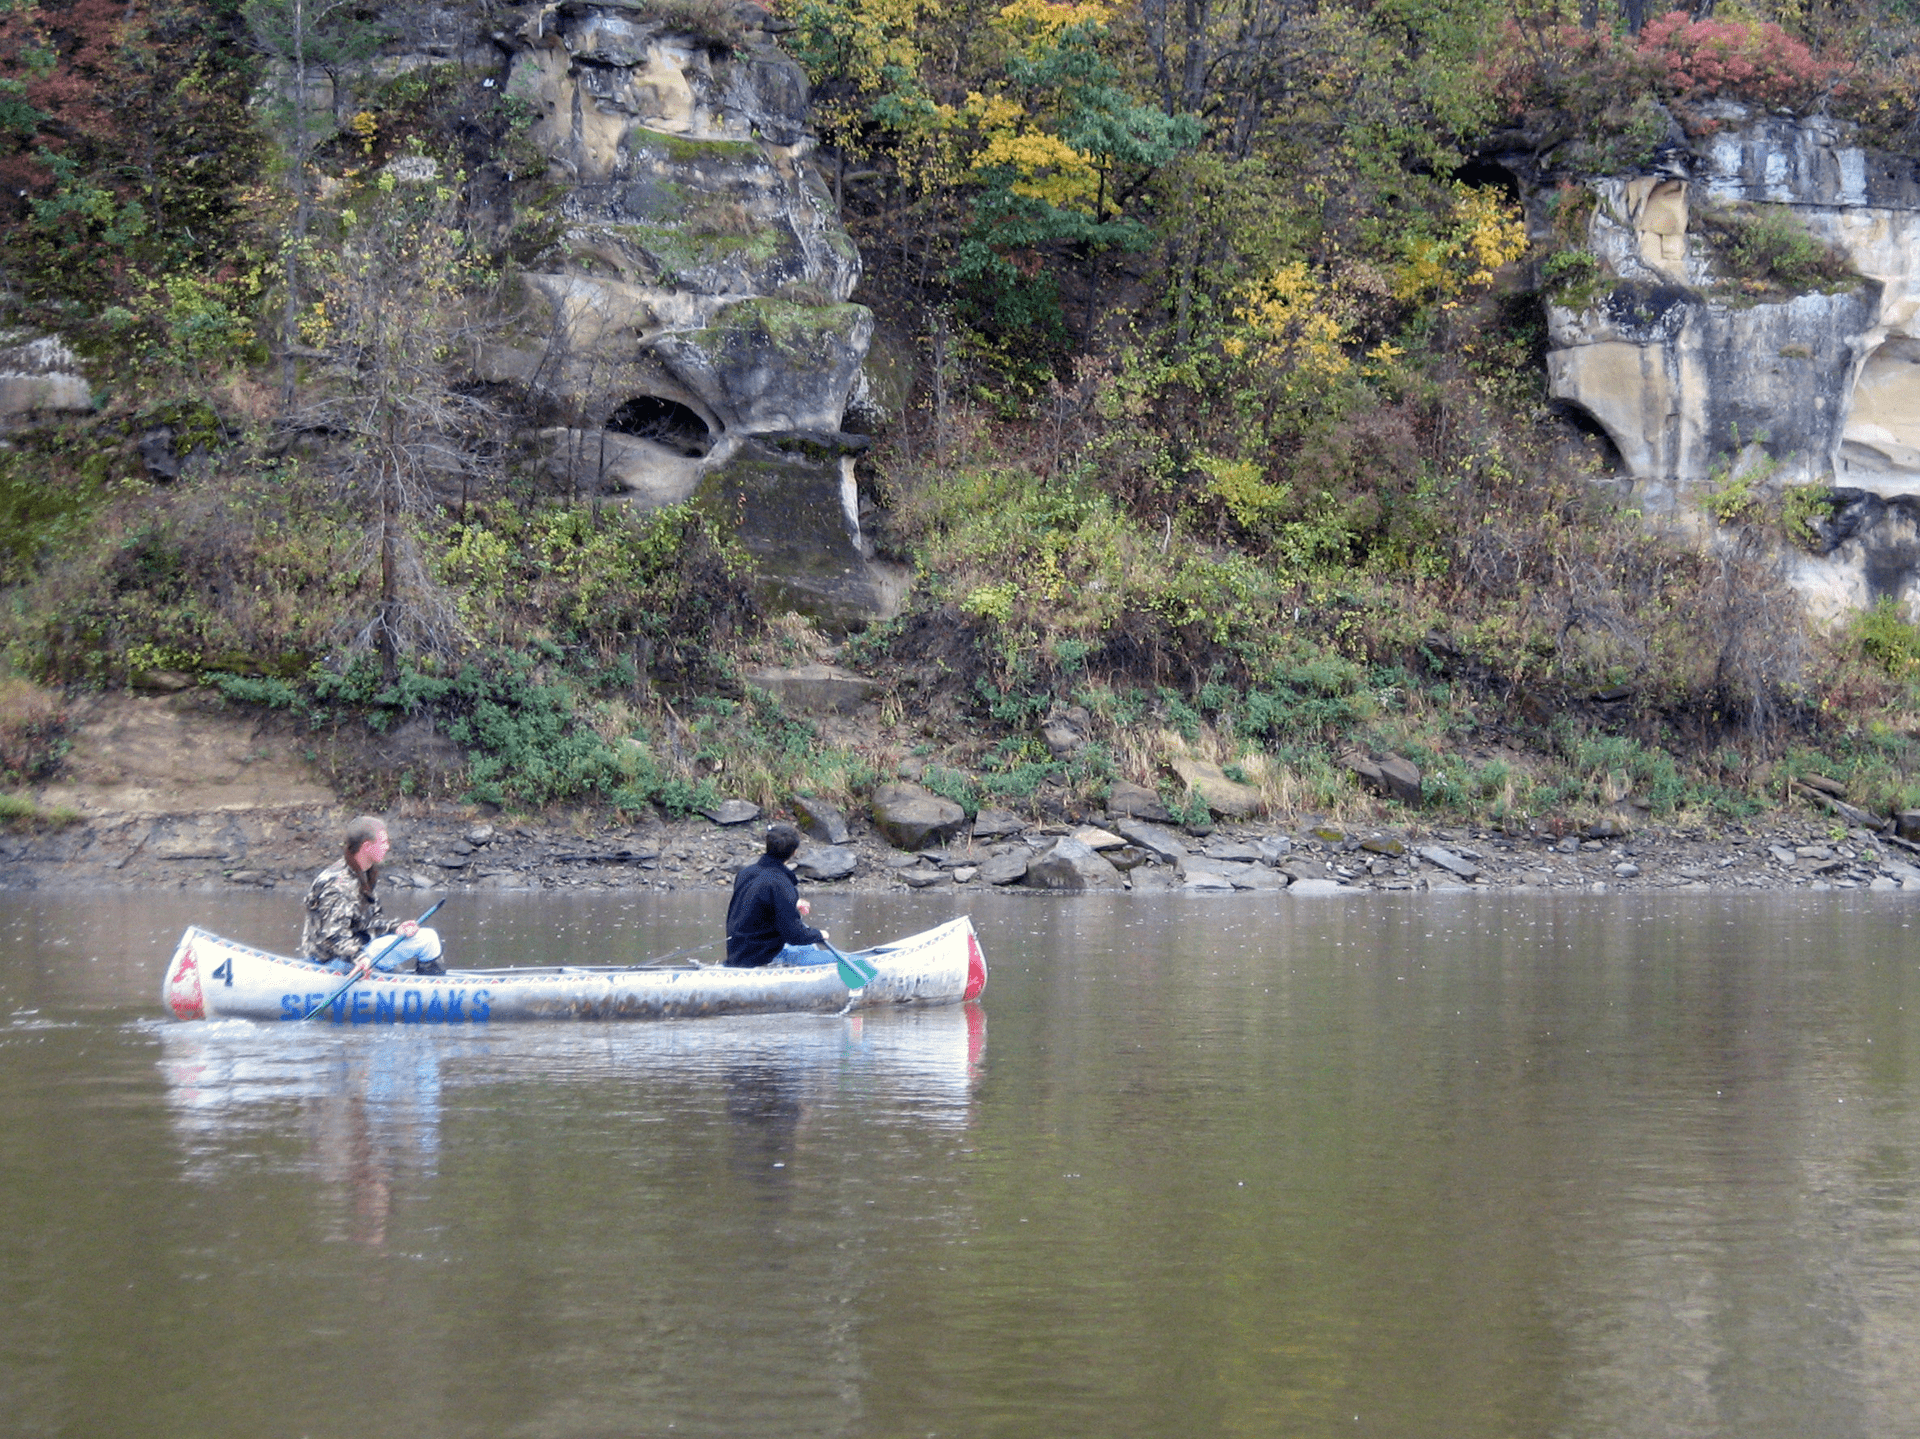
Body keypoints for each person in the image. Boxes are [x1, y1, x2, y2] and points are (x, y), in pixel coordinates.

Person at [302, 815, 444, 976]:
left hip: (355, 951)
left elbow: (369, 923)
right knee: (428, 940)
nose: (387, 847)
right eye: (383, 842)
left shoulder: (364, 874)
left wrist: (396, 928)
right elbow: (332, 936)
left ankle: (424, 988)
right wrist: (359, 957)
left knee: (424, 936)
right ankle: (433, 992)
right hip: (332, 963)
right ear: (367, 846)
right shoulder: (338, 883)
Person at [725, 823, 833, 968]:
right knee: (840, 958)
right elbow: (794, 935)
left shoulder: (746, 874)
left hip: (738, 953)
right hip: (761, 957)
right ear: (794, 852)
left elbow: (758, 904)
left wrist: (793, 902)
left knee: (808, 948)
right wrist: (819, 934)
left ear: (767, 845)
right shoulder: (780, 883)